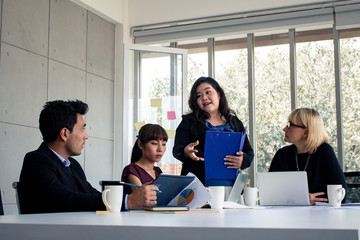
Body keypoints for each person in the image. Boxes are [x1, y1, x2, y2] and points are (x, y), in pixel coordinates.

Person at [19, 100, 158, 214]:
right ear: (64, 133)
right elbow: (65, 199)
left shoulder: (72, 164)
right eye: (82, 129)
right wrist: (127, 201)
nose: (86, 136)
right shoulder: (36, 161)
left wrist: (131, 197)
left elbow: (91, 194)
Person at [173, 76, 254, 184]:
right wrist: (185, 152)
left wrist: (242, 160)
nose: (204, 98)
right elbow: (176, 149)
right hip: (198, 185)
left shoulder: (234, 122)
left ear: (219, 94)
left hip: (230, 184)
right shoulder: (188, 122)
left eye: (208, 92)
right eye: (199, 96)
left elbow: (249, 151)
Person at [269, 108, 347, 204]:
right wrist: (301, 199)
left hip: (321, 216)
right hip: (287, 216)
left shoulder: (325, 152)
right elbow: (270, 194)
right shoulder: (282, 155)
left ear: (306, 132)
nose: (284, 129)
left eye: (290, 125)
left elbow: (340, 194)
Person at [121, 124, 167, 194]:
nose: (160, 149)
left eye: (163, 144)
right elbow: (141, 198)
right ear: (140, 144)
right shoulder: (132, 170)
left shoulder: (158, 171)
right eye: (154, 143)